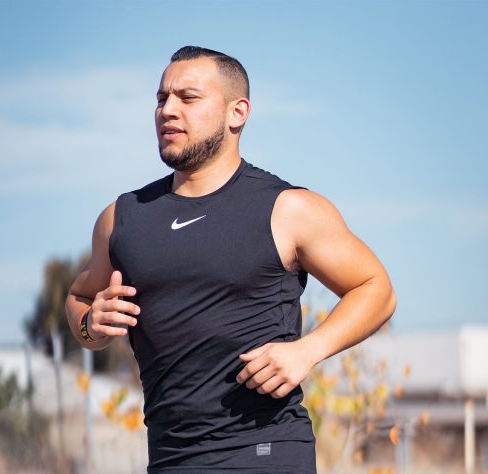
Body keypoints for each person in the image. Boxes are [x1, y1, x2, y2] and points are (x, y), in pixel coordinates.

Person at [66, 46, 396, 473]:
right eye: (161, 98)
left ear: (236, 113)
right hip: (170, 460)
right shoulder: (122, 218)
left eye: (188, 97)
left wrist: (308, 351)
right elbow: (79, 297)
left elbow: (376, 289)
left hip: (267, 451)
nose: (167, 110)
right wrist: (91, 326)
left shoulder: (287, 209)